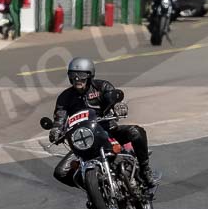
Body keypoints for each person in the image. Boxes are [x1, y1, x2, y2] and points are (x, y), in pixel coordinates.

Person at [50, 57, 156, 188]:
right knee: (60, 172)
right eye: (73, 76)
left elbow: (112, 97)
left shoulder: (102, 87)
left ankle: (145, 170)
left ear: (90, 75)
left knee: (136, 132)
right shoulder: (64, 98)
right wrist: (56, 130)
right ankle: (94, 189)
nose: (77, 79)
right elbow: (60, 117)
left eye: (81, 75)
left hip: (108, 131)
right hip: (84, 141)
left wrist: (118, 106)